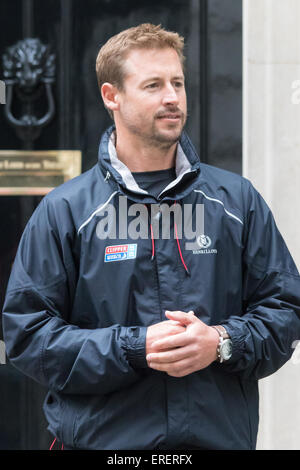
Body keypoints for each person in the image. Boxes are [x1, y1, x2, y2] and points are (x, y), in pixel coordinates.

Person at [2, 23, 300, 451]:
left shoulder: (236, 201)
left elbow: (286, 309)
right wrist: (133, 347)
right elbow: (28, 337)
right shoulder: (67, 211)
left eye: (177, 82)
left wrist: (222, 343)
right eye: (154, 85)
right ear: (112, 96)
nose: (172, 97)